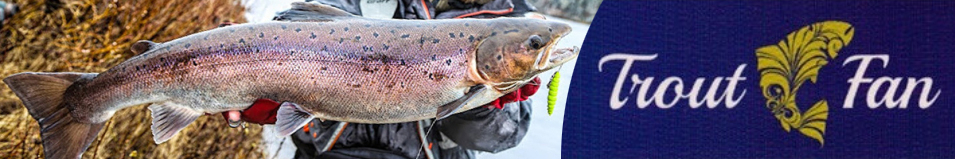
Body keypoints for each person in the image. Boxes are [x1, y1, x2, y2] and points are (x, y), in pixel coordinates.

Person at [223, 0, 544, 158]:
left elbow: (500, 138)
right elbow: (299, 29)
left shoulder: (507, 20)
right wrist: (244, 84)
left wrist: (478, 102)